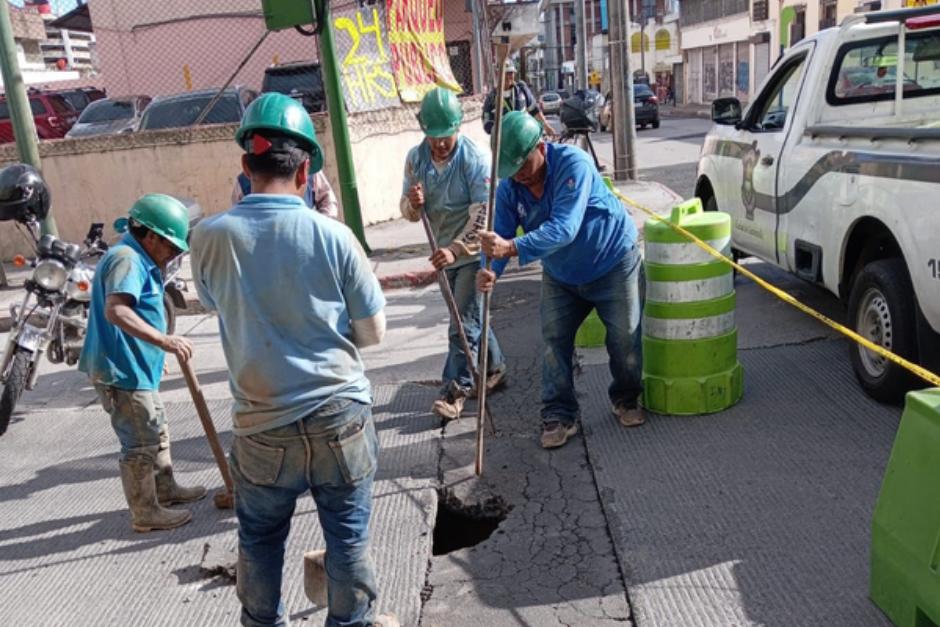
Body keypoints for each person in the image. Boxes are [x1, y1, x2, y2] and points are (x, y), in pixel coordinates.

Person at [190, 92, 397, 627]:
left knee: (258, 539)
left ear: (244, 165)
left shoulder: (208, 238)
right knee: (347, 537)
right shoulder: (335, 236)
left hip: (261, 426)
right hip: (339, 416)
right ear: (306, 170)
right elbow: (372, 333)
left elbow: (215, 304)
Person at [476, 111, 645, 450]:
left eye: (523, 165)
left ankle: (626, 398)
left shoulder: (574, 164)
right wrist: (490, 268)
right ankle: (558, 414)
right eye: (512, 170)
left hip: (612, 261)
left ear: (541, 146)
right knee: (554, 341)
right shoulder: (510, 187)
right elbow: (500, 234)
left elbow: (564, 229)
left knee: (625, 338)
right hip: (562, 274)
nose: (519, 176)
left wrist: (511, 248)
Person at [77, 189, 206, 532]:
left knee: (156, 428)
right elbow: (117, 310)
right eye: (171, 246)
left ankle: (165, 489)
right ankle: (145, 511)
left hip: (135, 363)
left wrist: (154, 351)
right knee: (141, 441)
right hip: (121, 370)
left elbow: (139, 311)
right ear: (150, 235)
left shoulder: (137, 256)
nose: (174, 254)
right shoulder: (127, 259)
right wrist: (164, 340)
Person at [401, 87, 507, 421]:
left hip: (472, 254)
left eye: (445, 136)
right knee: (470, 317)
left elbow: (481, 215)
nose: (440, 143)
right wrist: (413, 205)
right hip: (442, 254)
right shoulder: (416, 160)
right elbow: (406, 209)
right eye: (433, 136)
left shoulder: (475, 160)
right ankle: (496, 366)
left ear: (457, 128)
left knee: (461, 324)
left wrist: (455, 249)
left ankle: (455, 390)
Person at [482, 58, 555, 138]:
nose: (508, 76)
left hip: (524, 136)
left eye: (510, 73)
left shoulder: (521, 89)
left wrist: (547, 127)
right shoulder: (491, 98)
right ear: (497, 74)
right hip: (505, 141)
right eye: (504, 73)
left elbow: (534, 110)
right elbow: (487, 123)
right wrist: (503, 129)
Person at [231, 166, 339, 218]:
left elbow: (328, 200)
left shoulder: (310, 172)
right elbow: (238, 216)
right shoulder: (243, 182)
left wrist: (319, 228)